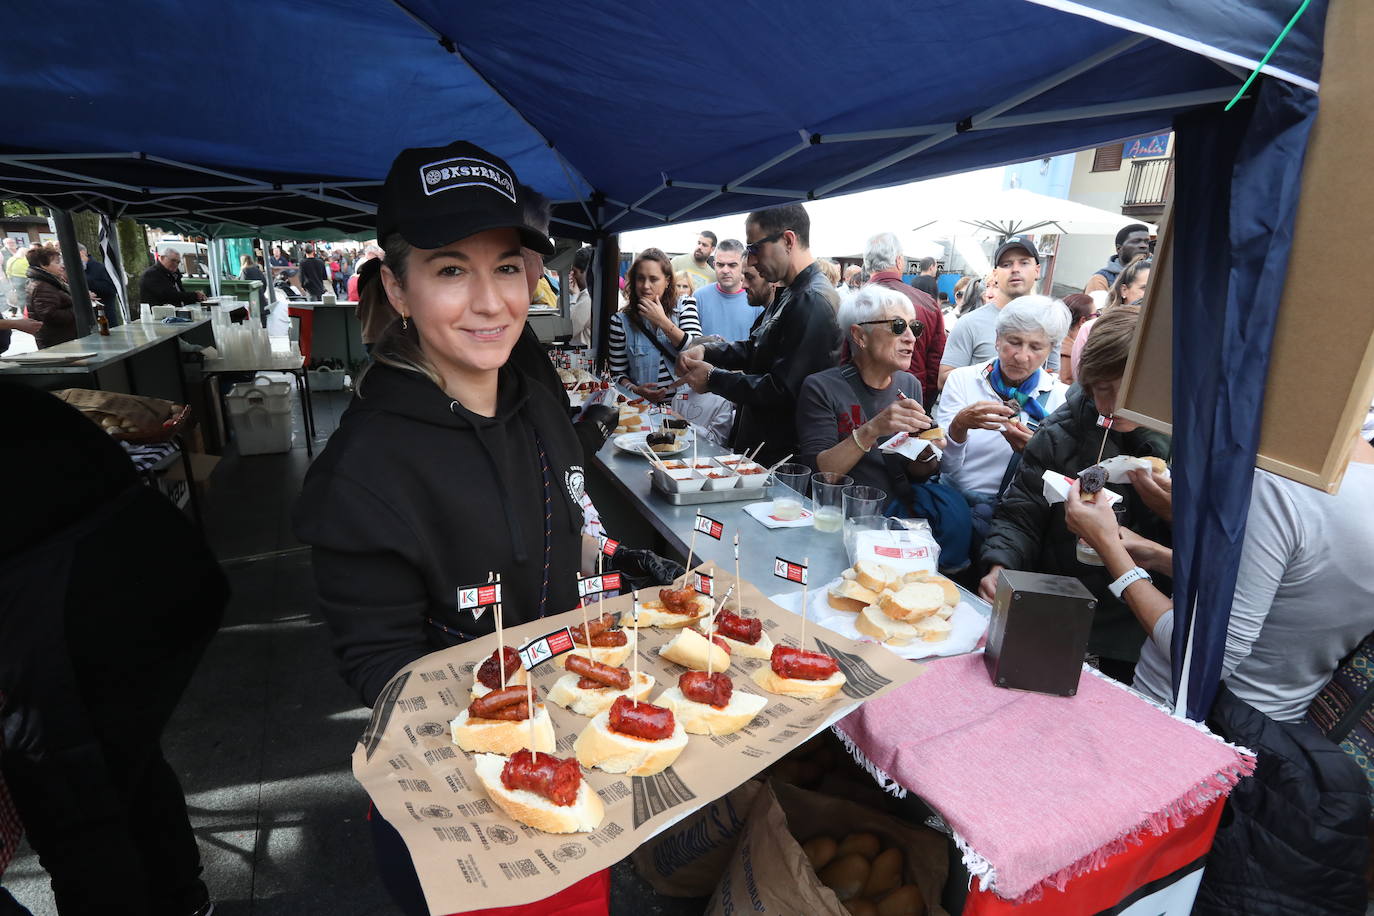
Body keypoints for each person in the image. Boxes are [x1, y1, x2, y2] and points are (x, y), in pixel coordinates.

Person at [292, 140, 677, 916]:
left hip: (571, 769)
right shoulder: (362, 470)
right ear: (398, 289)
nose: (491, 301)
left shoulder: (538, 406)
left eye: (506, 267)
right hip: (461, 801)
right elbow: (382, 669)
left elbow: (574, 545)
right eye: (449, 270)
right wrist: (507, 731)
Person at [1064, 441, 1374, 913]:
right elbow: (1285, 589)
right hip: (1277, 737)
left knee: (1133, 882)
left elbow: (1201, 656)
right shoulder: (1352, 480)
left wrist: (1112, 550)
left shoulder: (1280, 482)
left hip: (1187, 729)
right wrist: (1153, 552)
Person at [0, 379, 227, 916]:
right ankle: (182, 898)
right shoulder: (16, 400)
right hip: (162, 563)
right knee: (124, 755)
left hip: (73, 601)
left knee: (74, 803)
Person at [978, 307, 1172, 683]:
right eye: (1100, 390)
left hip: (1137, 627)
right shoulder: (1060, 432)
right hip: (1055, 602)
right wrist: (1001, 564)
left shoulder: (1188, 451)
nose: (1111, 405)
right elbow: (1021, 512)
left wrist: (1171, 512)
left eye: (1125, 391)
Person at [796, 287, 973, 570]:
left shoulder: (909, 385)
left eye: (914, 327)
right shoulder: (821, 387)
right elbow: (822, 476)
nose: (911, 337)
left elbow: (916, 472)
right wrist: (873, 428)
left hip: (897, 525)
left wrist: (927, 452)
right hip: (844, 525)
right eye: (897, 326)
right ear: (859, 335)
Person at [676, 203, 841, 465]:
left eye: (754, 248)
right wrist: (707, 351)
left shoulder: (811, 299)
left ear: (788, 240)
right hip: (762, 446)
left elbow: (783, 389)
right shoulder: (791, 292)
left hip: (784, 457)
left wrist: (712, 378)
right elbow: (756, 348)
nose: (750, 260)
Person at [936, 296, 1071, 536]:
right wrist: (959, 426)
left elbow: (1061, 482)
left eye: (1036, 347)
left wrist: (1035, 452)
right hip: (955, 512)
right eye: (1014, 342)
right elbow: (946, 467)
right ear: (997, 339)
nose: (1021, 356)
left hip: (1018, 520)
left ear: (1051, 349)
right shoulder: (963, 380)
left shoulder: (1060, 398)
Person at [939, 235, 1057, 389]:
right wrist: (993, 376)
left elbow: (1054, 377)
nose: (1015, 269)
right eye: (1006, 264)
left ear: (1037, 270)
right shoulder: (970, 323)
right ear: (995, 274)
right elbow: (944, 380)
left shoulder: (1051, 322)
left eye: (1024, 263)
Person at [863, 232, 945, 409]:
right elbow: (936, 360)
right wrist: (926, 401)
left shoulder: (854, 303)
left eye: (913, 327)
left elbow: (843, 358)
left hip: (859, 401)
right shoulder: (928, 303)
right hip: (912, 399)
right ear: (900, 261)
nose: (910, 337)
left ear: (866, 264)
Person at [607, 248, 701, 402]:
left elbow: (695, 350)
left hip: (686, 406)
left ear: (667, 281)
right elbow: (617, 374)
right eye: (640, 278)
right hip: (645, 410)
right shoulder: (621, 321)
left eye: (653, 279)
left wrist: (662, 321)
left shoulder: (685, 305)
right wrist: (636, 390)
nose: (645, 286)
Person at [1071, 255, 1151, 380]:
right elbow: (1080, 379)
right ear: (1124, 290)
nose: (1151, 295)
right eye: (1144, 288)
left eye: (1155, 289)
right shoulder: (1092, 328)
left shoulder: (1161, 333)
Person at [689, 238, 758, 343]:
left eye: (732, 265)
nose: (725, 270)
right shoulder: (698, 297)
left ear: (743, 265)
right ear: (714, 265)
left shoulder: (756, 299)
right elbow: (690, 342)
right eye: (720, 265)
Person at [24, 247, 77, 350]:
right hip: (57, 340)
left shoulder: (49, 281)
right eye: (57, 262)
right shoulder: (42, 286)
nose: (61, 266)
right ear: (43, 265)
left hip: (61, 337)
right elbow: (50, 315)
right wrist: (78, 310)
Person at [1083, 223, 1150, 295]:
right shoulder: (1100, 280)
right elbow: (1096, 306)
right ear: (1119, 249)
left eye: (1147, 242)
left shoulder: (1154, 274)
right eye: (1136, 241)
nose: (1144, 246)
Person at [138, 247, 205, 316]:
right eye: (173, 260)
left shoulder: (174, 273)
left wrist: (196, 297)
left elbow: (180, 292)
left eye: (178, 262)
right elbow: (168, 295)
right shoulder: (151, 274)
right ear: (162, 258)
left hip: (176, 312)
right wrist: (194, 296)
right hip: (159, 315)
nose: (176, 264)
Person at [567, 246, 593, 347]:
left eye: (575, 272)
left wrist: (574, 296)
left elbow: (567, 329)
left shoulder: (587, 298)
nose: (572, 276)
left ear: (586, 272)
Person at [77, 243, 118, 307]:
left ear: (82, 253)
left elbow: (112, 289)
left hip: (104, 311)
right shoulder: (78, 270)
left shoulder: (98, 267)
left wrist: (88, 283)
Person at [4, 241, 29, 312]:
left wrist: (10, 280)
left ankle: (23, 312)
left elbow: (7, 271)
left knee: (21, 298)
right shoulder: (26, 259)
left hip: (15, 280)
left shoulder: (11, 259)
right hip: (26, 279)